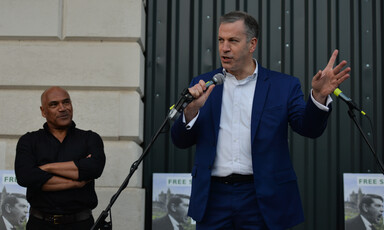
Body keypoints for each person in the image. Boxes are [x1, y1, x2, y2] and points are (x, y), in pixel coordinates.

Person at [171, 11, 351, 229]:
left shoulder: (283, 86)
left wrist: (319, 96)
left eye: (233, 41)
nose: (224, 48)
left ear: (251, 44)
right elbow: (180, 141)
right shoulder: (203, 84)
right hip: (212, 198)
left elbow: (309, 128)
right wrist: (190, 111)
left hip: (263, 198)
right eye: (221, 40)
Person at [15, 86, 106, 229]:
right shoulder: (29, 141)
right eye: (54, 104)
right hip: (40, 224)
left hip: (81, 224)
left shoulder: (90, 138)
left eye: (66, 102)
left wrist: (47, 168)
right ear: (43, 111)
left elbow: (94, 168)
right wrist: (76, 181)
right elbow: (26, 177)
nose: (62, 108)